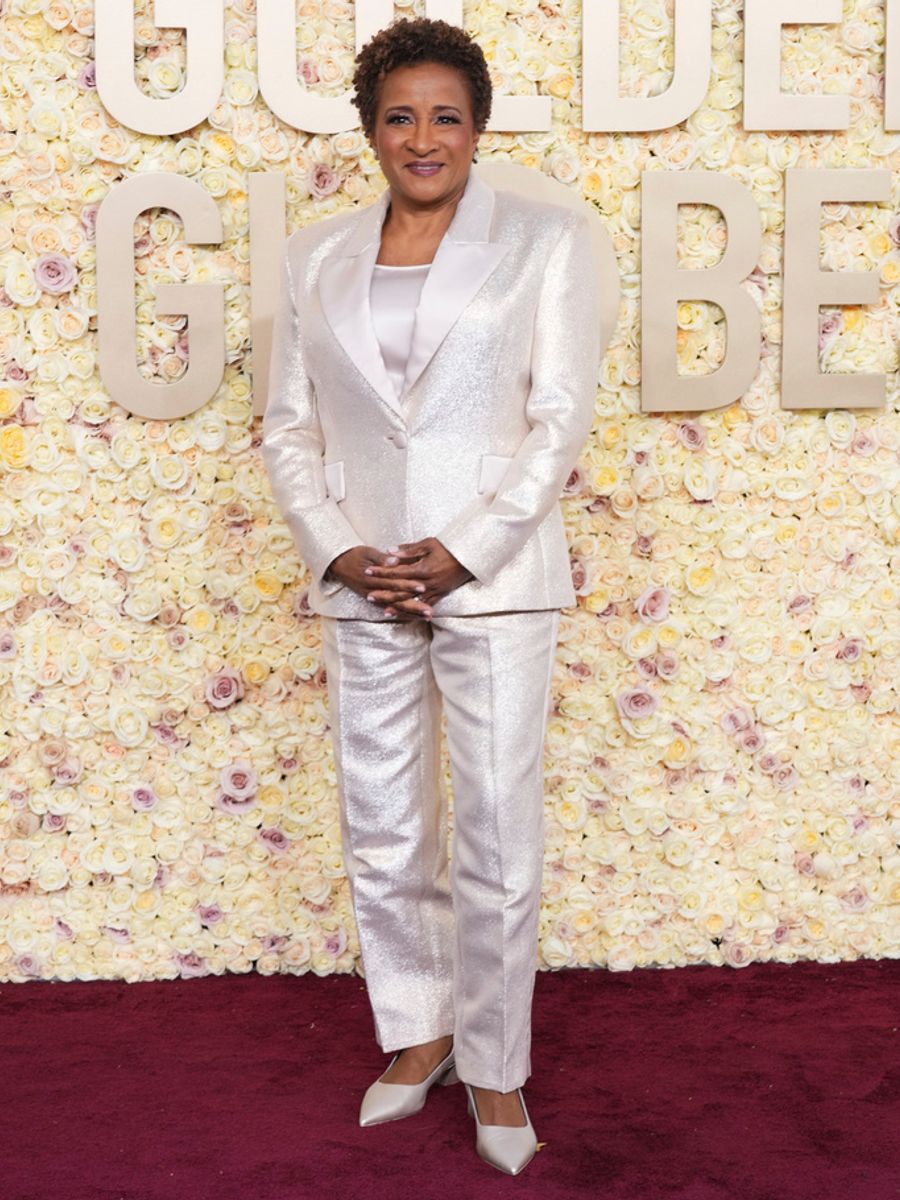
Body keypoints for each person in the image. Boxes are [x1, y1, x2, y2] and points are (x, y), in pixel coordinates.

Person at [261, 17, 599, 1176]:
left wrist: (460, 550)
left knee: (499, 834)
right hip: (362, 581)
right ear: (368, 129)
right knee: (386, 827)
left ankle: (498, 1065)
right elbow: (289, 428)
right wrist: (342, 550)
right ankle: (419, 1033)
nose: (423, 135)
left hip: (494, 581)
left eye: (445, 113)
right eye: (399, 114)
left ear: (478, 125)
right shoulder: (312, 256)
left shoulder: (547, 244)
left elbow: (558, 425)